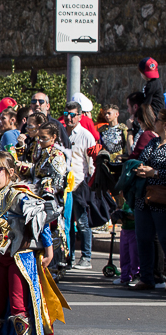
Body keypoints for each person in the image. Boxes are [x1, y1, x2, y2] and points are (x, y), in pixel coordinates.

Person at [0, 152, 67, 335]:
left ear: (11, 173)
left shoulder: (21, 197)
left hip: (19, 258)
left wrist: (49, 249)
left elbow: (41, 221)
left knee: (18, 303)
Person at [131, 109, 166, 291]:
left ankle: (159, 275)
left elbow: (157, 170)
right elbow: (141, 160)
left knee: (164, 238)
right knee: (143, 238)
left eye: (158, 120)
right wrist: (141, 169)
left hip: (162, 199)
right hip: (143, 197)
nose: (155, 122)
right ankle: (146, 278)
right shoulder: (153, 142)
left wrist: (156, 173)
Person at [63, 102, 96, 270]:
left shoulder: (85, 135)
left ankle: (86, 256)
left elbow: (91, 162)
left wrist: (89, 184)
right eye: (67, 113)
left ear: (80, 116)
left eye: (73, 114)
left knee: (82, 222)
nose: (69, 117)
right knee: (66, 223)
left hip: (79, 184)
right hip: (64, 186)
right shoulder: (62, 133)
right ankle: (69, 255)